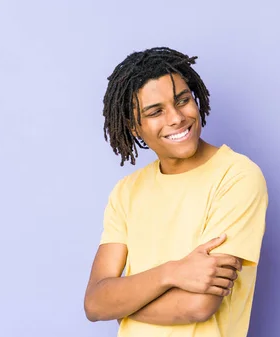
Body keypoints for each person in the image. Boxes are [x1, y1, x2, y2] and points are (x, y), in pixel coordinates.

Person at [83, 47, 268, 337]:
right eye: (155, 111)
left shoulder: (236, 176)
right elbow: (94, 303)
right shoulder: (126, 192)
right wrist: (172, 272)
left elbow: (198, 305)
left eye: (182, 100)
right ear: (134, 126)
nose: (176, 118)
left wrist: (122, 304)